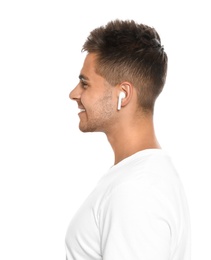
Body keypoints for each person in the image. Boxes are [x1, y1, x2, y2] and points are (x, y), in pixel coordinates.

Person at [66, 19, 191, 260]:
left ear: (123, 94)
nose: (74, 93)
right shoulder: (136, 177)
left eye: (85, 83)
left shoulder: (136, 190)